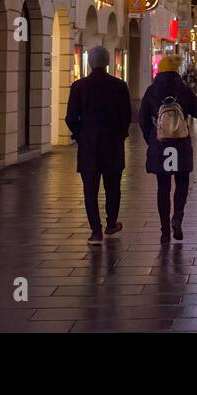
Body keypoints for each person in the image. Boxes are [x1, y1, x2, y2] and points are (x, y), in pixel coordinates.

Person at [65, 46, 131, 245]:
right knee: (113, 187)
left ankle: (95, 231)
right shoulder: (119, 86)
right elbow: (126, 115)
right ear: (108, 62)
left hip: (89, 147)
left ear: (90, 63)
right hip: (112, 146)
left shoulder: (79, 86)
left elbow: (70, 118)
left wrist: (79, 134)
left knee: (90, 190)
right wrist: (120, 134)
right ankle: (111, 223)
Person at [140, 55, 197, 243]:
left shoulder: (152, 90)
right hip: (181, 144)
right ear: (176, 71)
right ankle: (177, 217)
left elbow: (143, 120)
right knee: (182, 184)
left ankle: (164, 231)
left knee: (163, 187)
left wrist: (151, 139)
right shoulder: (183, 89)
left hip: (160, 145)